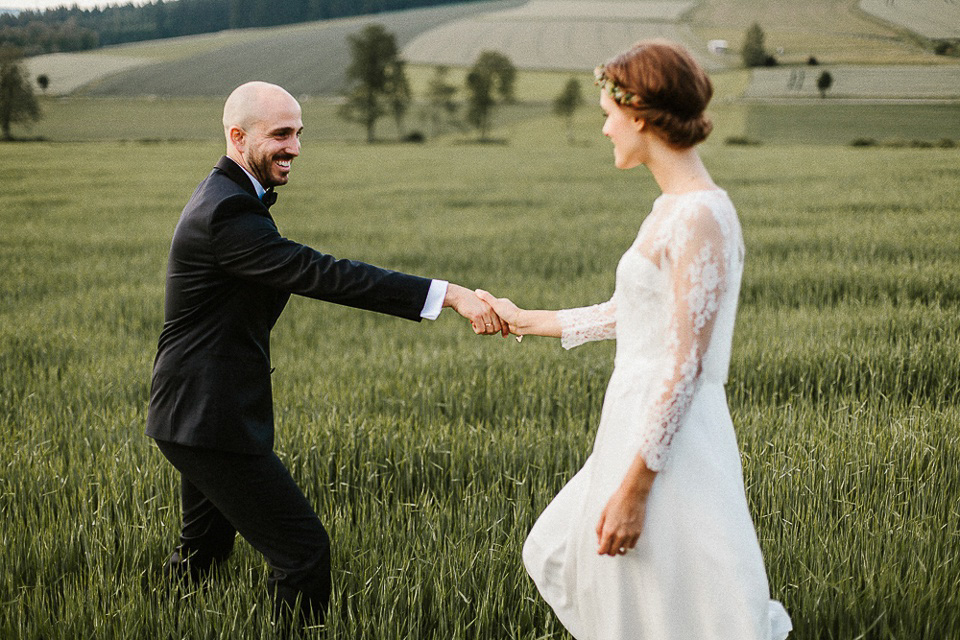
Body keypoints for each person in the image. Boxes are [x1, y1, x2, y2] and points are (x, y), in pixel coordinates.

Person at [146, 81, 504, 631]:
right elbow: (323, 273)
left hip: (197, 413)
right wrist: (448, 293)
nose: (294, 147)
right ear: (238, 137)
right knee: (304, 553)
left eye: (298, 134)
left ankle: (154, 619)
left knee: (201, 552)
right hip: (207, 415)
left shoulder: (228, 197)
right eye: (281, 134)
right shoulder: (226, 214)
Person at [476, 41, 793, 639]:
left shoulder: (700, 216)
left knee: (681, 604)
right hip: (631, 417)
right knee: (578, 566)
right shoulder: (670, 209)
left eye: (607, 113)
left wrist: (635, 489)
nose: (603, 128)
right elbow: (630, 314)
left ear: (640, 115)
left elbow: (686, 366)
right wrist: (526, 320)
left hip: (668, 438)